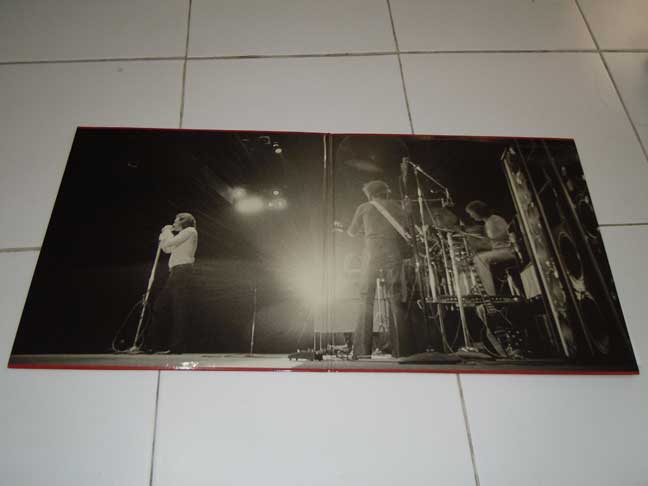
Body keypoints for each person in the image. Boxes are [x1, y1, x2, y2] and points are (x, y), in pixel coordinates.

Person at [346, 180, 410, 358]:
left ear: (369, 194)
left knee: (366, 298)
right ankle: (402, 350)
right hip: (392, 251)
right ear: (386, 192)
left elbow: (351, 232)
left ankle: (361, 351)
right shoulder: (396, 206)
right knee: (396, 297)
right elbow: (406, 227)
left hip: (371, 252)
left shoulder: (364, 207)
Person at [150, 212, 198, 354]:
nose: (174, 223)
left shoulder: (190, 231)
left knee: (179, 309)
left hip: (182, 271)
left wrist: (166, 231)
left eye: (176, 221)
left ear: (183, 221)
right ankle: (155, 345)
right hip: (176, 272)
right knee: (160, 306)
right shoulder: (182, 235)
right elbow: (167, 249)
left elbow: (169, 243)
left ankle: (177, 347)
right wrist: (165, 236)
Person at [465, 200, 516, 296]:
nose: (471, 216)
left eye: (471, 213)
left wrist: (487, 241)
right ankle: (483, 290)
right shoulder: (488, 222)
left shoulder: (495, 219)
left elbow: (506, 235)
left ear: (478, 211)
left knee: (479, 259)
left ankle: (490, 294)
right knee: (477, 258)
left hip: (509, 250)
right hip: (502, 250)